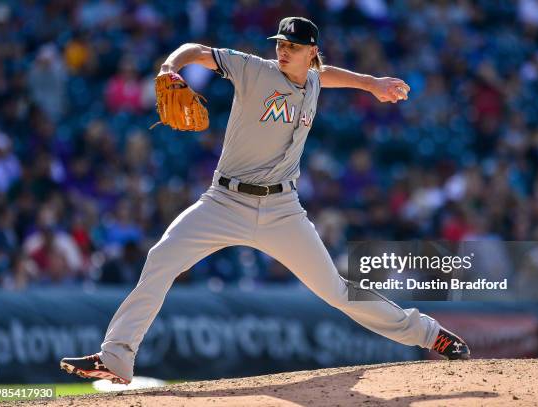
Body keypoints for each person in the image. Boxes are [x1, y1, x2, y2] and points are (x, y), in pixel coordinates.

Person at [61, 17, 470, 385]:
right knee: (162, 258)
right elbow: (197, 51)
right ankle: (116, 357)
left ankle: (430, 334)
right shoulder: (254, 69)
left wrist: (372, 83)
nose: (282, 49)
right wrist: (172, 65)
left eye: (292, 45)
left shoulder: (312, 79)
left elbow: (328, 76)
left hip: (283, 211)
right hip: (223, 201)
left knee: (337, 291)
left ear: (311, 52)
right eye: (280, 43)